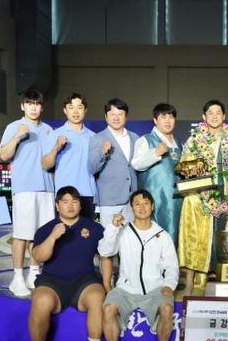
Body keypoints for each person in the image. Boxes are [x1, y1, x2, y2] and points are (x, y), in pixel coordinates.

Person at [98, 190, 179, 341]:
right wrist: (112, 227)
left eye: (146, 203)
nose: (142, 208)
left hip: (154, 288)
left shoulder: (162, 235)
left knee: (167, 308)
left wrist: (169, 284)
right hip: (126, 288)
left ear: (152, 206)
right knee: (108, 308)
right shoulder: (122, 231)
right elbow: (104, 251)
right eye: (137, 204)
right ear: (131, 207)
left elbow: (171, 265)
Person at [28, 186, 105, 341]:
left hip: (84, 281)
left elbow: (107, 255)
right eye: (65, 201)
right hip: (52, 282)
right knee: (40, 300)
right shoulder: (46, 229)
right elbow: (38, 256)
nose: (70, 206)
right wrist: (53, 236)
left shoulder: (94, 228)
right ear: (57, 205)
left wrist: (108, 283)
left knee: (98, 296)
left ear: (80, 205)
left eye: (74, 201)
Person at [178, 100, 228, 295]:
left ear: (224, 116)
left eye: (218, 112)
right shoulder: (194, 139)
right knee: (196, 235)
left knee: (225, 235)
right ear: (204, 117)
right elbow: (184, 168)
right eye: (210, 113)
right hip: (202, 193)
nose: (214, 116)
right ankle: (191, 280)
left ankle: (225, 277)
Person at [0, 89, 55, 297]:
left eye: (37, 104)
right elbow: (4, 155)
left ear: (42, 107)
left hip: (47, 189)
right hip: (24, 188)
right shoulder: (14, 126)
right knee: (22, 235)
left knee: (39, 235)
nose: (34, 108)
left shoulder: (49, 130)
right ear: (23, 106)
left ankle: (33, 272)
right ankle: (17, 278)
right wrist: (17, 136)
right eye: (30, 103)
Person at [88, 98, 140, 291]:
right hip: (109, 200)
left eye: (120, 114)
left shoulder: (135, 138)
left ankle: (127, 282)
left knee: (129, 245)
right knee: (108, 246)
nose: (116, 117)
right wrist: (102, 152)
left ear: (126, 116)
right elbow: (92, 167)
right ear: (106, 116)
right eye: (112, 114)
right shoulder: (98, 138)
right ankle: (106, 285)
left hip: (132, 201)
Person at [131, 103, 183, 243]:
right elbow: (136, 163)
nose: (168, 121)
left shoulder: (178, 143)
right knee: (156, 238)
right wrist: (155, 153)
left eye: (171, 117)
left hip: (177, 199)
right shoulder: (146, 140)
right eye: (163, 117)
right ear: (155, 120)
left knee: (177, 236)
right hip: (156, 201)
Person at [42, 92, 97, 219]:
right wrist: (56, 147)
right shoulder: (55, 135)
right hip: (65, 195)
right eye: (71, 107)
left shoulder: (93, 137)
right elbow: (46, 164)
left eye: (79, 107)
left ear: (85, 110)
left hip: (87, 194)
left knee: (86, 231)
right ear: (65, 110)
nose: (75, 112)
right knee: (64, 231)